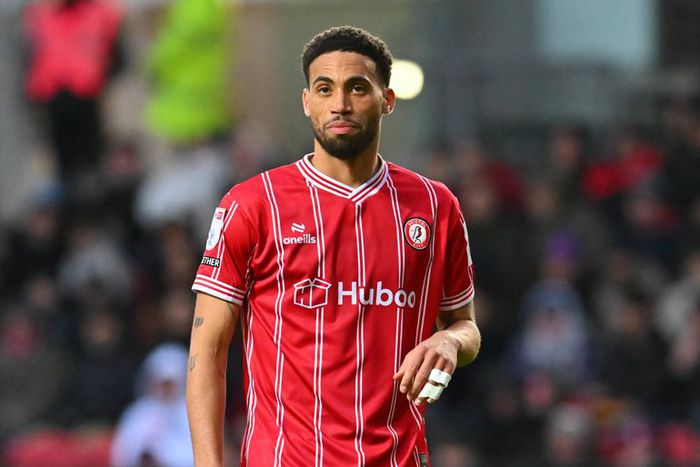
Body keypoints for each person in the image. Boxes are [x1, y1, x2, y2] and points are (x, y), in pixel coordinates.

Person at [187, 26, 481, 466]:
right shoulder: (253, 205)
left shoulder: (435, 206)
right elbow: (206, 352)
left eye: (357, 88)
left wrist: (449, 341)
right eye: (325, 89)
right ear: (307, 102)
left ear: (387, 99)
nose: (339, 104)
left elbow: (465, 326)